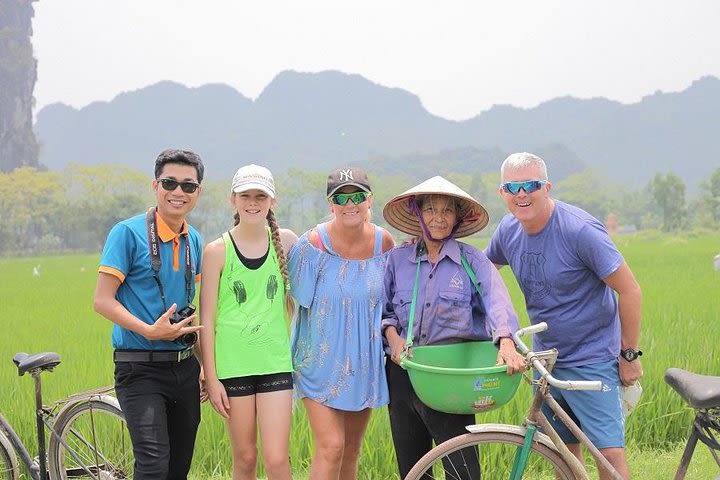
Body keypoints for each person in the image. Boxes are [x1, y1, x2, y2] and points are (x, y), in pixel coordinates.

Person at [485, 152, 643, 480]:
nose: (522, 194)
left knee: (609, 455)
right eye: (513, 187)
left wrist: (629, 355)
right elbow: (485, 275)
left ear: (547, 187)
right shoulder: (507, 230)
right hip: (548, 358)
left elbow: (630, 291)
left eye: (531, 185)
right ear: (502, 193)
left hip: (593, 358)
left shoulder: (579, 230)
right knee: (563, 454)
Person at [381, 176, 526, 479]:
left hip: (449, 376)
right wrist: (393, 339)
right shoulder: (397, 260)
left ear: (457, 217)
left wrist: (507, 343)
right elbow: (386, 311)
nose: (439, 217)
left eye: (447, 211)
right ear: (418, 213)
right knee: (413, 468)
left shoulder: (471, 261)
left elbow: (497, 303)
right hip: (403, 374)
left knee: (462, 472)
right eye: (431, 209)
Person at [93, 148, 205, 480]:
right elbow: (102, 300)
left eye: (188, 185)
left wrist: (203, 366)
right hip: (139, 367)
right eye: (170, 183)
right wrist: (149, 330)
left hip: (185, 368)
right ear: (155, 186)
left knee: (178, 467)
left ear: (198, 192)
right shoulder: (126, 233)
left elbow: (190, 309)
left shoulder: (194, 240)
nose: (178, 192)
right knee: (153, 465)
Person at [288, 166, 394, 480]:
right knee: (331, 446)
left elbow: (392, 300)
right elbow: (290, 302)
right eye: (341, 198)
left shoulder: (383, 244)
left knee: (350, 450)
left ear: (369, 200)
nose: (350, 204)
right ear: (331, 204)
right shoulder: (311, 246)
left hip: (363, 364)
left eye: (357, 196)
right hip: (319, 362)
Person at [199, 164, 297, 480]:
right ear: (233, 200)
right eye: (246, 195)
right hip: (233, 368)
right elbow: (207, 319)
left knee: (278, 460)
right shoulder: (217, 251)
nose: (252, 202)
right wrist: (211, 378)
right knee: (245, 458)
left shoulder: (287, 241)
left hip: (276, 365)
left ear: (272, 202)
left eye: (260, 196)